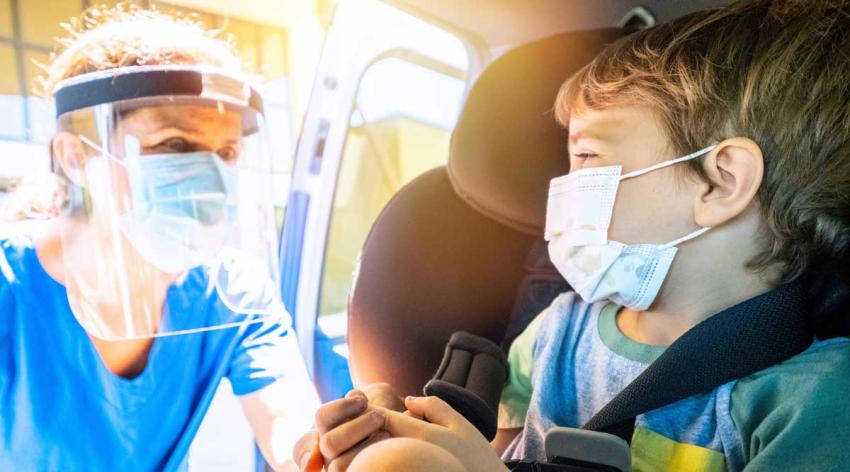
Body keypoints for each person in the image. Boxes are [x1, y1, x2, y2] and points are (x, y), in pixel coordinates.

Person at [294, 0, 850, 470]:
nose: (560, 189)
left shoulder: (812, 401)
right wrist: (397, 432)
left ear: (719, 183)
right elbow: (499, 452)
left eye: (587, 156)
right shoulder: (555, 332)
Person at [0, 6, 318, 470]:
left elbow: (292, 427)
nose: (211, 176)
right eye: (174, 144)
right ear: (74, 158)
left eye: (227, 151)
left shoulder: (232, 292)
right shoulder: (10, 290)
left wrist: (341, 450)